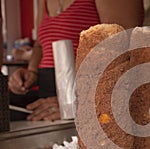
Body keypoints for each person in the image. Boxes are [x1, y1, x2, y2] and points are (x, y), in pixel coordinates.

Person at [8, 0, 143, 121]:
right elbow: (39, 44)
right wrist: (32, 72)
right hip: (48, 96)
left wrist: (81, 101)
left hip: (92, 97)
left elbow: (123, 49)